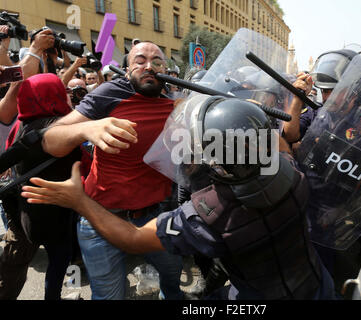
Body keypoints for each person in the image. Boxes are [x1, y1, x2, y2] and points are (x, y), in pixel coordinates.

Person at [21, 97, 336, 300]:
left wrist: (80, 201)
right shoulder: (292, 173)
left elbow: (131, 238)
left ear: (212, 157)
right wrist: (241, 113)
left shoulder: (209, 216)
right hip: (318, 285)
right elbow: (276, 140)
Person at [35, 41, 184, 300]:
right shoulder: (109, 94)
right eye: (140, 61)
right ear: (127, 70)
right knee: (108, 296)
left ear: (166, 72)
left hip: (156, 217)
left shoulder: (176, 104)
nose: (149, 66)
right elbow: (50, 140)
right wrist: (86, 129)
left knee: (173, 280)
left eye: (157, 62)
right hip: (99, 217)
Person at [0, 73, 79, 300]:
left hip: (27, 212)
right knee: (59, 261)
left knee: (16, 265)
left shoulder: (22, 125)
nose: (66, 94)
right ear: (52, 94)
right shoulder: (59, 128)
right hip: (57, 212)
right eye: (61, 90)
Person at [283, 49, 358, 144]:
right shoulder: (316, 113)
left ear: (352, 91)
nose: (328, 98)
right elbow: (290, 136)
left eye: (335, 91)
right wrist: (297, 97)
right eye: (325, 91)